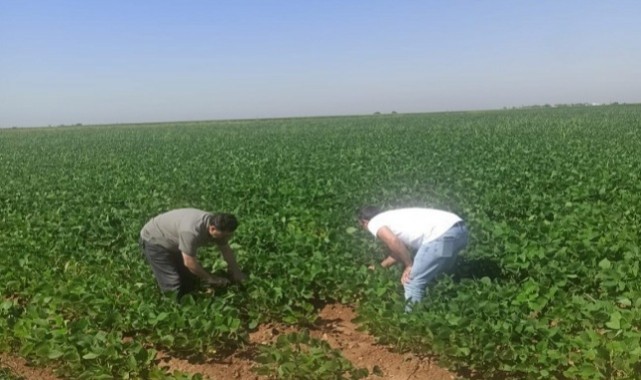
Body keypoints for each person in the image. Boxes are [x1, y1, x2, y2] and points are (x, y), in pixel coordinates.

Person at [357, 206, 469, 309]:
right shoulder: (389, 217)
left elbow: (394, 241)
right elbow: (399, 250)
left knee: (412, 282)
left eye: (362, 226)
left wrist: (409, 265)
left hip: (440, 236)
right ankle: (445, 303)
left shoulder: (374, 222)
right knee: (439, 272)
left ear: (364, 222)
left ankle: (411, 321)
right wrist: (380, 267)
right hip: (457, 231)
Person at [139, 208, 246, 298]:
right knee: (173, 283)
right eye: (225, 236)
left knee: (188, 280)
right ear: (212, 229)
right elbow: (189, 262)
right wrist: (211, 279)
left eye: (229, 235)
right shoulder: (191, 231)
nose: (227, 238)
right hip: (154, 240)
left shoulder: (218, 224)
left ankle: (189, 303)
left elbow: (226, 249)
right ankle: (173, 312)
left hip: (174, 241)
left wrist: (236, 271)